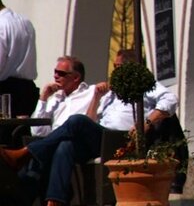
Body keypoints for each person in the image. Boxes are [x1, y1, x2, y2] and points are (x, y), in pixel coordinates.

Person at [0, 49, 178, 206]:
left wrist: (146, 123)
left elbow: (170, 100)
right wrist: (97, 98)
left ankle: (25, 153)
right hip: (101, 138)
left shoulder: (145, 85)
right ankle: (55, 200)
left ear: (129, 68)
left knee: (76, 120)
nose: (113, 71)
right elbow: (91, 120)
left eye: (116, 67)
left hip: (119, 139)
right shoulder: (110, 93)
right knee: (65, 146)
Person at [31, 56, 100, 137]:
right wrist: (43, 98)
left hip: (77, 143)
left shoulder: (92, 93)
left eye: (61, 73)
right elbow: (38, 132)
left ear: (76, 77)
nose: (55, 76)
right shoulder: (55, 99)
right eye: (55, 72)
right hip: (54, 143)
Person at [0, 0, 39, 118]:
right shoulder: (25, 21)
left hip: (5, 92)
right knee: (20, 133)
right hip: (27, 91)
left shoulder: (1, 24)